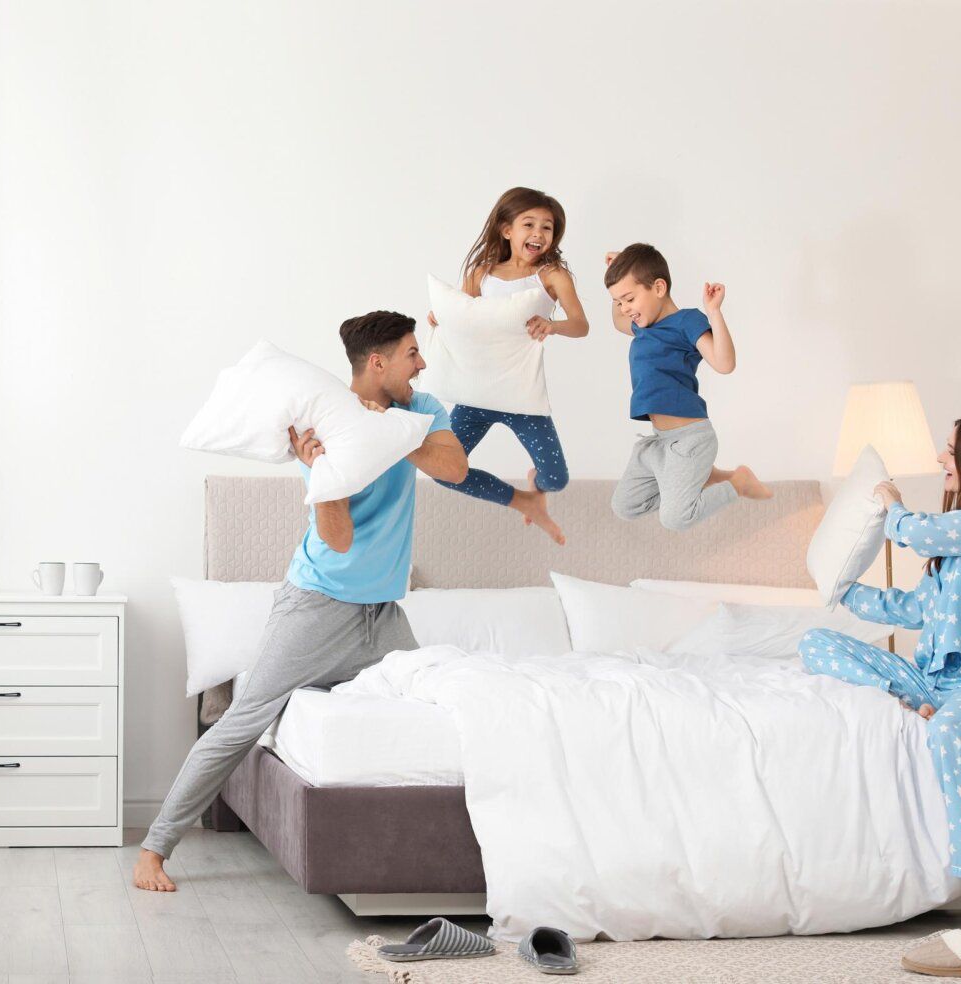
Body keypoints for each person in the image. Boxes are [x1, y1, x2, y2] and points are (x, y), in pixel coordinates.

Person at [134, 311, 466, 892]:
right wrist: (324, 468)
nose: (423, 363)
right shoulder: (324, 426)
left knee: (437, 703)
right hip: (317, 606)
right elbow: (338, 540)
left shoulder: (421, 409)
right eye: (412, 353)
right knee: (240, 722)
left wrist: (392, 433)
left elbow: (456, 467)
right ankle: (154, 850)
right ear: (377, 362)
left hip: (384, 614)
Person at [799, 413, 961, 962]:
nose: (942, 459)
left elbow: (913, 533)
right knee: (816, 643)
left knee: (953, 731)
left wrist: (890, 503)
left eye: (950, 450)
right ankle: (912, 699)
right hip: (935, 682)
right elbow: (914, 609)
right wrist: (842, 591)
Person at [426, 186, 589, 543]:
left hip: (522, 396)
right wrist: (440, 318)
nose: (538, 234)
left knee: (556, 479)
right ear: (506, 230)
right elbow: (463, 319)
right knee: (444, 471)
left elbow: (581, 325)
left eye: (547, 227)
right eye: (528, 224)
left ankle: (538, 488)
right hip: (476, 395)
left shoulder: (552, 276)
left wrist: (554, 325)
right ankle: (524, 502)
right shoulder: (482, 273)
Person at [604, 243, 769, 530]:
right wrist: (616, 271)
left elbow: (724, 363)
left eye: (629, 298)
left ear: (658, 287)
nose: (624, 308)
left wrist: (714, 312)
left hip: (690, 440)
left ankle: (737, 482)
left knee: (676, 518)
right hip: (658, 444)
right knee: (625, 506)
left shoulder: (686, 321)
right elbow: (618, 320)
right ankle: (702, 475)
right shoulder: (641, 328)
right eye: (619, 301)